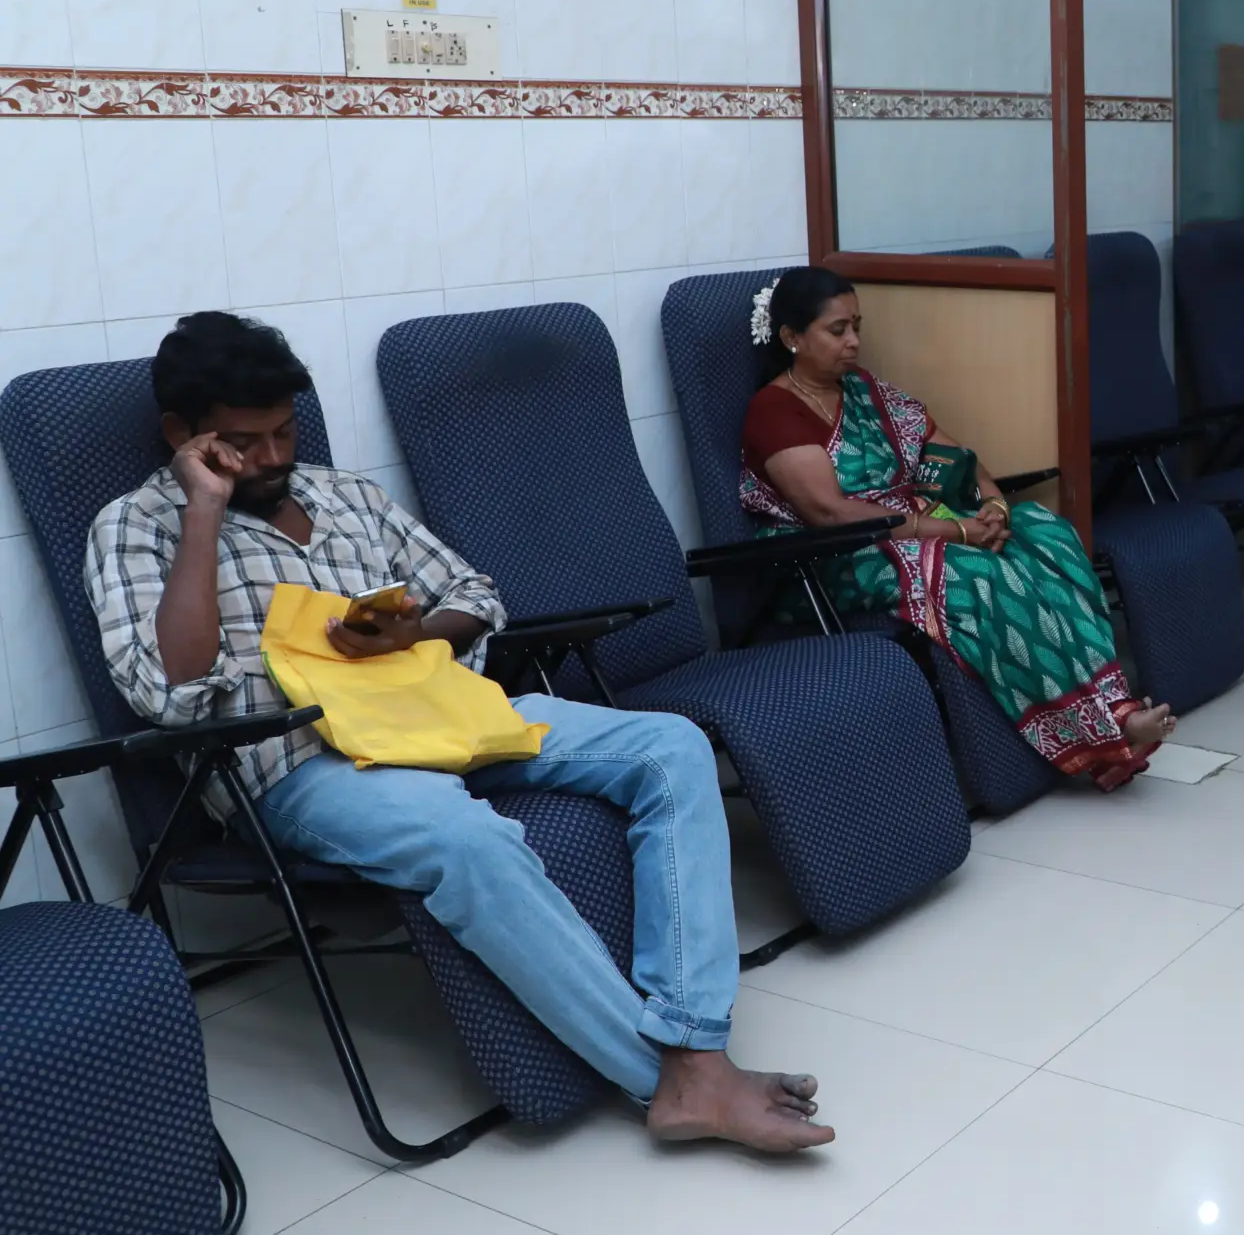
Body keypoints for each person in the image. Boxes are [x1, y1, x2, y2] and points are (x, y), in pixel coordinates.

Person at [85, 312, 830, 1152]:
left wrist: (411, 632)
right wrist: (205, 513)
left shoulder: (344, 495)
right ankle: (673, 1082)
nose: (271, 457)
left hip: (434, 714)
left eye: (285, 431)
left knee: (671, 747)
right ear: (182, 434)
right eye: (242, 443)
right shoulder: (135, 525)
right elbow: (171, 692)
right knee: (465, 837)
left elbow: (476, 593)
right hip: (304, 762)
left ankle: (693, 1039)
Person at [739, 267, 1176, 791]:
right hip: (835, 556)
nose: (854, 341)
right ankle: (1104, 729)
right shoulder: (774, 409)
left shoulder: (864, 390)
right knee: (980, 574)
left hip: (918, 527)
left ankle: (1114, 703)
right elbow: (828, 514)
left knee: (1045, 532)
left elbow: (953, 456)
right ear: (791, 337)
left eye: (857, 326)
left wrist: (994, 507)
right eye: (838, 330)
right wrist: (959, 534)